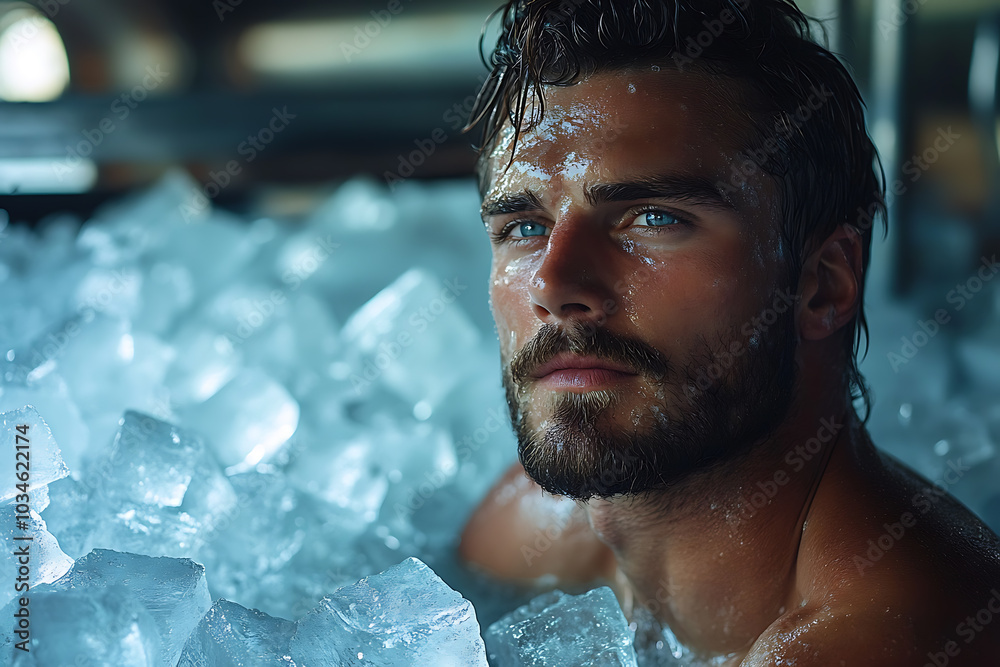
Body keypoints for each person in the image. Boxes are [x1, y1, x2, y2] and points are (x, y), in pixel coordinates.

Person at [457, 1, 1000, 664]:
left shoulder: (882, 638)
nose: (553, 283)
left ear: (823, 283)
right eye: (523, 228)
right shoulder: (534, 529)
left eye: (653, 218)